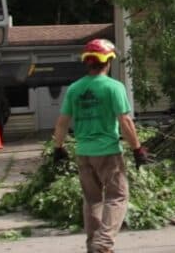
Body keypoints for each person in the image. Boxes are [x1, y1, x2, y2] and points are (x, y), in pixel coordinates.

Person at [52, 38, 151, 253]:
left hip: (83, 153)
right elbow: (125, 121)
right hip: (108, 153)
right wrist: (137, 149)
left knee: (92, 200)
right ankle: (104, 243)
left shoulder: (75, 89)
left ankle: (93, 246)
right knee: (117, 197)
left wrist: (58, 148)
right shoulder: (113, 87)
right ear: (108, 61)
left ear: (87, 62)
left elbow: (62, 122)